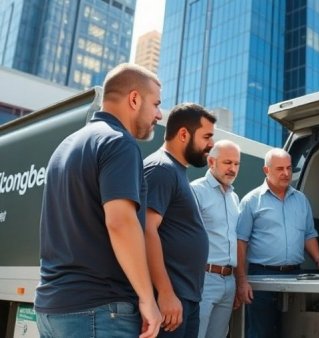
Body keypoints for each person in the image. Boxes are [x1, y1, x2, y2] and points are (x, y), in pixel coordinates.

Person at [35, 63, 163, 338]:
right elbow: (120, 222)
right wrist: (147, 299)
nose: (159, 114)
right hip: (99, 310)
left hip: (52, 309)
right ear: (134, 99)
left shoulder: (66, 146)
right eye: (156, 104)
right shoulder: (119, 143)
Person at [235, 148, 319, 338]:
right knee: (261, 332)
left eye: (288, 168)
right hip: (261, 277)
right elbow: (240, 242)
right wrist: (242, 280)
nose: (286, 173)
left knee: (292, 331)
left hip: (295, 276)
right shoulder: (251, 201)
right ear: (266, 170)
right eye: (279, 169)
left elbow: (309, 234)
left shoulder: (301, 200)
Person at [143, 103, 216, 337]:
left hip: (186, 297)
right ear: (183, 134)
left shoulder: (177, 171)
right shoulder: (161, 168)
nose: (211, 145)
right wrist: (165, 293)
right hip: (170, 298)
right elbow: (146, 230)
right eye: (206, 136)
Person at [190, 140, 242, 338]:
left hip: (229, 281)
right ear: (211, 161)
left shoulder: (233, 198)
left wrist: (236, 281)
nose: (233, 169)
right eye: (227, 163)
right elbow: (186, 239)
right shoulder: (196, 191)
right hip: (204, 278)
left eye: (236, 164)